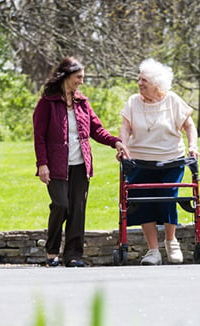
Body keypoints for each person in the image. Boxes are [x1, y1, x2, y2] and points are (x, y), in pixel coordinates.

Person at [33, 57, 129, 267]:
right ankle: (51, 251)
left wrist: (116, 143)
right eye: (78, 77)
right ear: (66, 76)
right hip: (56, 166)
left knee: (77, 209)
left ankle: (73, 256)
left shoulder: (82, 103)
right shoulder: (47, 103)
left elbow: (97, 130)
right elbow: (39, 136)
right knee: (61, 205)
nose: (81, 81)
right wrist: (42, 164)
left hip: (80, 165)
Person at [119, 58, 200, 265]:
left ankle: (171, 241)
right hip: (140, 160)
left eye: (143, 79)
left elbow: (189, 126)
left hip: (171, 160)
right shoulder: (133, 102)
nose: (139, 83)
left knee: (167, 197)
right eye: (139, 79)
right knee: (143, 202)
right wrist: (123, 146)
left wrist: (193, 146)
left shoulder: (172, 100)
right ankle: (153, 251)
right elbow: (126, 128)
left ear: (157, 83)